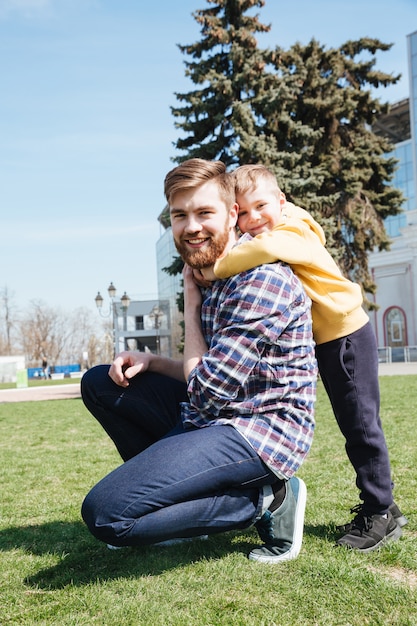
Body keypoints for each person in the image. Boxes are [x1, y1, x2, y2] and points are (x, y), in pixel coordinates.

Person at [81, 158, 317, 563]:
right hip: (217, 417)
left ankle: (267, 498)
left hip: (261, 431)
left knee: (107, 516)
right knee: (100, 383)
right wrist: (152, 362)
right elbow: (207, 371)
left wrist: (191, 308)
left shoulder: (260, 279)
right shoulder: (215, 274)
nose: (191, 227)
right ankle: (177, 509)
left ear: (233, 215)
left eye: (204, 213)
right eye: (180, 215)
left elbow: (206, 392)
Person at [211, 163, 406, 552]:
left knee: (361, 427)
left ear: (281, 202)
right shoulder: (283, 226)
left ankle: (380, 513)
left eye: (260, 206)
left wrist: (214, 267)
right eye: (242, 212)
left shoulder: (291, 231)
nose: (252, 220)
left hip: (346, 337)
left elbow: (266, 248)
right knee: (357, 425)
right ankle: (385, 505)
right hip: (331, 340)